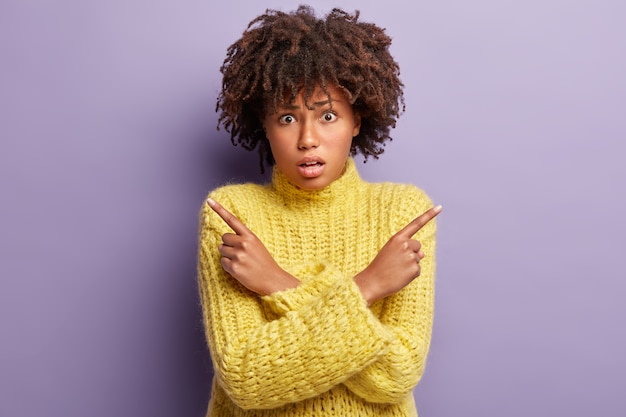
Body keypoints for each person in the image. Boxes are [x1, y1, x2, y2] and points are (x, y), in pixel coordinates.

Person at [197, 5, 442, 416]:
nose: (308, 138)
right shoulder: (232, 215)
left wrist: (277, 284)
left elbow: (396, 375)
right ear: (265, 124)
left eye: (328, 115)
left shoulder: (402, 213)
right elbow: (245, 379)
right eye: (288, 117)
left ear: (357, 120)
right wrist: (367, 287)